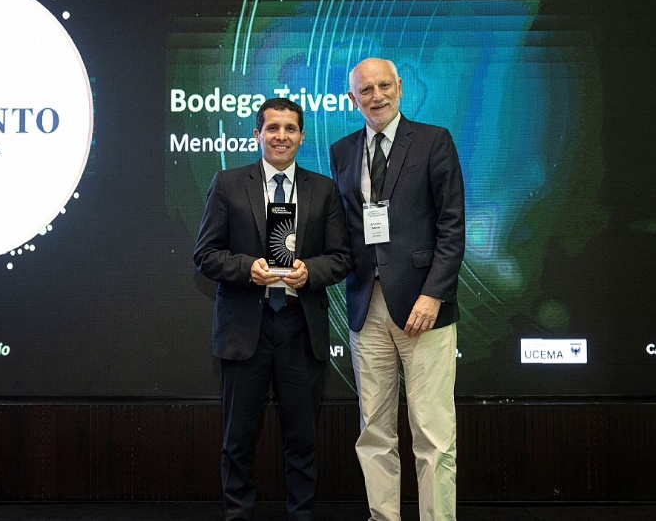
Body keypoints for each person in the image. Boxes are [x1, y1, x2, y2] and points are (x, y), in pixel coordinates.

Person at [194, 97, 352, 521]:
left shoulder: (324, 189)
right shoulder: (228, 183)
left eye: (290, 128)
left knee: (303, 438)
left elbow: (341, 257)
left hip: (301, 329)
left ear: (302, 136)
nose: (281, 136)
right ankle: (238, 515)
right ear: (257, 134)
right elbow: (205, 255)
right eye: (273, 128)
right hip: (245, 328)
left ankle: (301, 514)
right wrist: (249, 268)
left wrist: (309, 272)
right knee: (238, 439)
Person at [329, 57, 466, 520]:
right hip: (366, 306)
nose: (377, 97)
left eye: (384, 86)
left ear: (400, 87)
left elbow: (452, 226)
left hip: (424, 308)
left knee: (432, 433)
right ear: (352, 99)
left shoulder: (433, 140)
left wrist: (434, 294)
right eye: (366, 90)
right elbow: (346, 230)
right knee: (374, 431)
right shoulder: (342, 151)